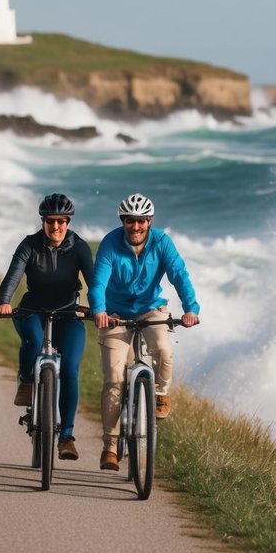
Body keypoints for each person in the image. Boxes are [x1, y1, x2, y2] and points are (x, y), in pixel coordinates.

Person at [89, 193, 200, 471]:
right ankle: (110, 446)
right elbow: (98, 282)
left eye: (140, 221)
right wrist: (100, 310)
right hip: (114, 315)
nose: (135, 227)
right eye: (129, 221)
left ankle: (160, 393)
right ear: (123, 221)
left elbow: (179, 275)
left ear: (149, 222)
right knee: (114, 379)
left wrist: (191, 308)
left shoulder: (162, 242)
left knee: (163, 348)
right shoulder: (110, 244)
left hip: (151, 309)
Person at [0, 193, 93, 461]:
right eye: (51, 221)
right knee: (33, 343)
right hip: (33, 310)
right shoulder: (29, 245)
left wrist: (99, 307)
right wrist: (4, 301)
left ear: (68, 221)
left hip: (67, 312)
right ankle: (27, 378)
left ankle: (66, 437)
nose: (57, 227)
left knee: (71, 368)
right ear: (43, 221)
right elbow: (14, 274)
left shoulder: (79, 247)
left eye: (62, 221)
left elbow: (94, 281)